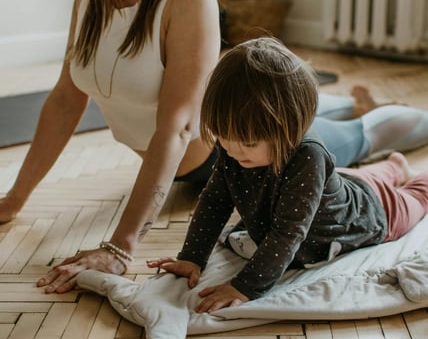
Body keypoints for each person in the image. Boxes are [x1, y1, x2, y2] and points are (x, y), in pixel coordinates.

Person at [1, 0, 428, 293]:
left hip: (236, 155)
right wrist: (12, 200)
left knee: (365, 137)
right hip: (216, 143)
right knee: (315, 110)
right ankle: (342, 102)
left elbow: (177, 129)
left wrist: (121, 246)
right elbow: (66, 99)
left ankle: (396, 116)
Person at [147, 38, 428, 313]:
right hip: (338, 184)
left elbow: (287, 233)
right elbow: (215, 200)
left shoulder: (308, 156)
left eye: (248, 144)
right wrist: (192, 257)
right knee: (363, 179)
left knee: (415, 196)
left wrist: (244, 287)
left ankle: (405, 174)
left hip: (375, 212)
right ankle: (395, 167)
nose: (231, 151)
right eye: (223, 138)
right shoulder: (235, 147)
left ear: (289, 130)